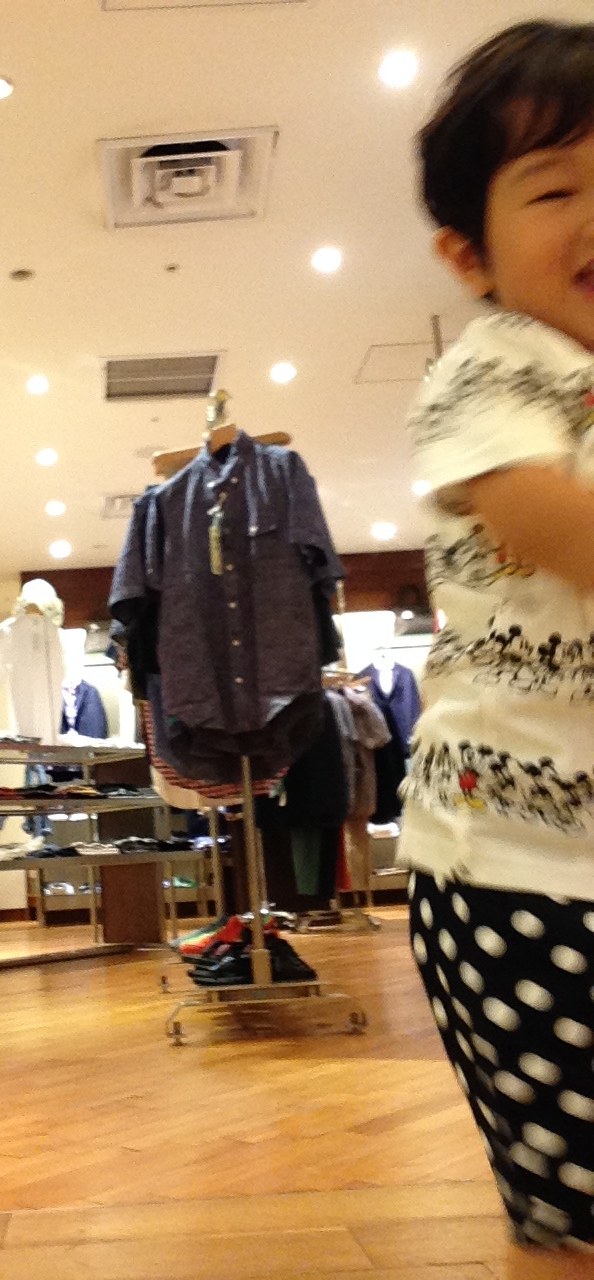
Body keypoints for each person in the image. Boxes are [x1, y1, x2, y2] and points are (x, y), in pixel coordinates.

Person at [396, 20, 594, 1252]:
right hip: (516, 869)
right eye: (557, 188)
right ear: (469, 252)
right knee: (576, 1203)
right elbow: (542, 515)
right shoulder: (495, 368)